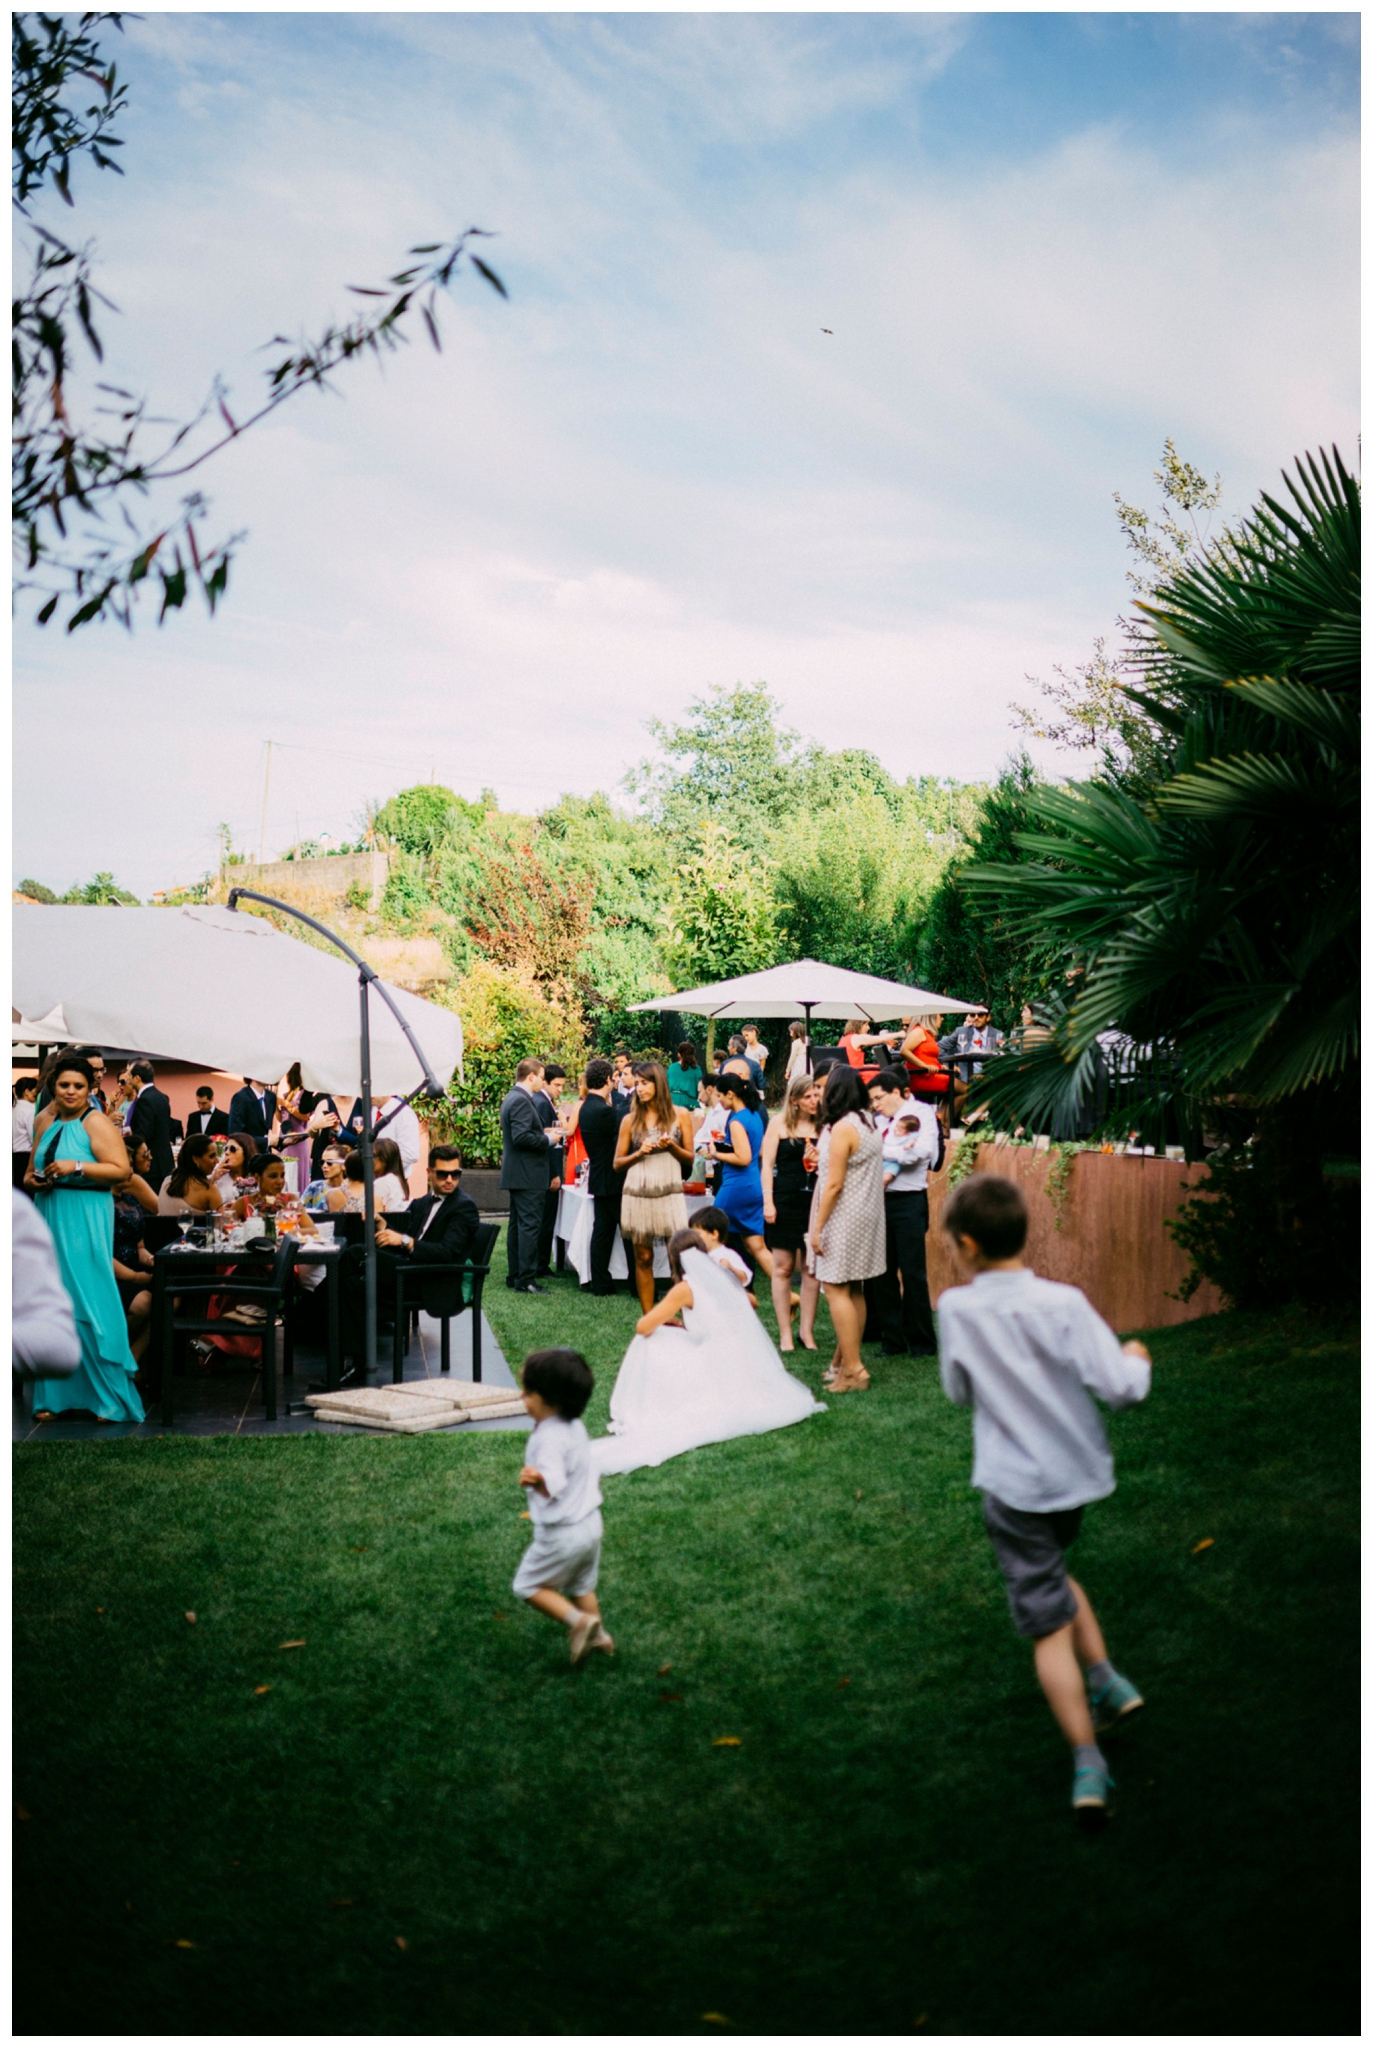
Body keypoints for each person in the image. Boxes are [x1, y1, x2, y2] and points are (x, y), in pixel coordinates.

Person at [937, 1175, 1151, 1826]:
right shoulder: (1063, 1302)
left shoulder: (955, 1310)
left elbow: (957, 1392)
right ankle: (1108, 1679)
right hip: (1072, 1481)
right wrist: (1136, 1357)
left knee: (1044, 1626)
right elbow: (1120, 1389)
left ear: (967, 1244)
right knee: (1051, 1571)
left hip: (1014, 1488)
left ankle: (1087, 1758)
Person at [591, 1235, 825, 1477]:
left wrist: (664, 1319)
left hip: (711, 1356)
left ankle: (645, 1400)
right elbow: (752, 1300)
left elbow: (642, 1326)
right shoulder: (718, 1277)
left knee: (649, 1339)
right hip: (737, 1357)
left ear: (674, 1260)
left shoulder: (685, 1288)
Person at [24, 1055, 145, 1424]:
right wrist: (37, 1180)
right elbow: (29, 1173)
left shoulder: (96, 1122)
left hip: (86, 1217)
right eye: (64, 1085)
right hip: (50, 1213)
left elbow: (121, 1170)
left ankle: (107, 1397)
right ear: (53, 1087)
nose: (71, 1091)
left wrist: (77, 1167)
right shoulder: (44, 1120)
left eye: (78, 1085)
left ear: (89, 1088)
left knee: (92, 1297)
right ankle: (54, 1396)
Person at [340, 1144, 480, 1371]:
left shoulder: (464, 1207)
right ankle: (357, 1363)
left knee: (356, 1253)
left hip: (432, 1280)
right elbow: (408, 1235)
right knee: (350, 1284)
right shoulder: (423, 1202)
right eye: (443, 1174)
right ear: (429, 1173)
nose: (449, 1180)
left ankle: (312, 1312)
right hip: (411, 1270)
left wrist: (405, 1242)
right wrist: (382, 1224)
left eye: (455, 1174)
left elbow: (446, 1253)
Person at [515, 1347, 612, 1664]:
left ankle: (578, 1622)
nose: (522, 1397)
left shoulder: (549, 1438)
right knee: (582, 1585)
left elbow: (553, 1481)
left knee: (527, 1584)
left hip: (563, 1532)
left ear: (551, 1402)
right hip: (590, 1524)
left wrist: (536, 1479)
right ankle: (600, 1639)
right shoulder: (575, 1427)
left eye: (528, 1392)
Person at [807, 1063, 886, 1394]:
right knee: (854, 1290)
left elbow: (835, 1183)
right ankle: (845, 1365)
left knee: (836, 1288)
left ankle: (854, 1368)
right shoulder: (868, 1123)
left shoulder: (842, 1128)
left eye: (824, 1089)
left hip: (844, 1215)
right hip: (867, 1213)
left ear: (836, 1092)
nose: (819, 1095)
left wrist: (817, 1228)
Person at [865, 1068, 940, 1359]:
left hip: (909, 1201)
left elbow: (919, 1154)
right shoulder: (878, 1121)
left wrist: (881, 1152)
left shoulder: (921, 1114)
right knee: (882, 1274)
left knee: (913, 1273)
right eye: (872, 1100)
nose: (876, 1105)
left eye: (879, 1098)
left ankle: (921, 1341)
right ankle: (891, 1340)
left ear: (896, 1092)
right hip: (879, 1200)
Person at [614, 1062, 694, 1314]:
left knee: (680, 1257)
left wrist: (672, 1147)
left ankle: (685, 1313)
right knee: (643, 1257)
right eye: (637, 1083)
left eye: (645, 1083)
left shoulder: (679, 1114)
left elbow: (690, 1158)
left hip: (669, 1192)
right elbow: (617, 1163)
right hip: (638, 1192)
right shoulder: (629, 1120)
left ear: (659, 1084)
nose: (639, 1088)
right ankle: (649, 1318)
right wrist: (639, 1153)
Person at [760, 1072, 822, 1353]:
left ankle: (806, 1332)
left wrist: (820, 1162)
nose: (814, 1100)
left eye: (817, 1095)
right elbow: (766, 1166)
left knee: (812, 1269)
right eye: (808, 1096)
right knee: (783, 1267)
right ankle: (785, 1332)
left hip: (815, 1203)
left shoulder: (825, 1127)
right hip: (784, 1200)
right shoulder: (778, 1125)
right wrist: (768, 1202)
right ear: (794, 1100)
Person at [708, 1071, 774, 1288]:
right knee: (757, 1246)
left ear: (730, 1094)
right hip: (754, 1184)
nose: (718, 1100)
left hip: (736, 1186)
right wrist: (724, 1147)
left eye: (719, 1096)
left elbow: (743, 1158)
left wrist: (716, 1153)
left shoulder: (736, 1121)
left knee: (710, 1234)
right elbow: (759, 1151)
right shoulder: (754, 1115)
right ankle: (787, 1292)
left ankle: (714, 1286)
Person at [12, 1187, 81, 1381]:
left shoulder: (12, 1208)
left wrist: (74, 1168)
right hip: (50, 1203)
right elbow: (28, 1176)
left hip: (77, 1214)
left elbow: (60, 1342)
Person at [500, 1057, 556, 1294]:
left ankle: (516, 1275)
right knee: (529, 1227)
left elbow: (522, 1132)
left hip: (519, 1173)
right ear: (531, 1076)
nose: (543, 1083)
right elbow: (521, 1137)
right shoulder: (521, 1100)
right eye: (542, 1077)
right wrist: (549, 1139)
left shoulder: (513, 1097)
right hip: (528, 1174)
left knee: (517, 1226)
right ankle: (526, 1279)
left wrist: (542, 1132)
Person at [578, 1058, 625, 1296]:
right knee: (625, 1232)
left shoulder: (587, 1106)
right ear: (607, 1079)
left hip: (599, 1176)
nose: (616, 1081)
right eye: (614, 1077)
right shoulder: (603, 1111)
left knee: (603, 1232)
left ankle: (600, 1281)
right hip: (612, 1178)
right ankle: (635, 1282)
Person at [112, 1134, 159, 1366]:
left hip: (134, 1268)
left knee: (172, 1296)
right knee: (145, 1303)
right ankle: (110, 1352)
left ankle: (134, 1357)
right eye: (126, 1164)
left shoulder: (131, 1200)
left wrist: (151, 1261)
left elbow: (140, 1247)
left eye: (131, 1164)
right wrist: (136, 1277)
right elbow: (101, 1254)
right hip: (112, 1273)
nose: (130, 1170)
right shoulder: (100, 1202)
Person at [534, 1062, 568, 1280]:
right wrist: (555, 1173)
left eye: (563, 1086)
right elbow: (550, 1144)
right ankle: (541, 1265)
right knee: (546, 1220)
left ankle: (539, 1263)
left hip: (544, 1170)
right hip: (548, 1171)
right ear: (544, 1081)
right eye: (557, 1085)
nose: (560, 1090)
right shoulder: (543, 1104)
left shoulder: (542, 1101)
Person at [939, 1006, 1004, 1120]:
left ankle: (975, 1117)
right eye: (972, 1015)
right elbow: (939, 1047)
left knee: (999, 1083)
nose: (976, 1018)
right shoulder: (961, 1032)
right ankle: (954, 1124)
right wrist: (949, 1064)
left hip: (987, 1076)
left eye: (980, 1015)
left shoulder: (998, 1035)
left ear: (988, 1017)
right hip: (964, 1076)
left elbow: (1004, 1054)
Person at [128, 1059, 175, 1191]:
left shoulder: (145, 1100)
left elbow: (144, 1134)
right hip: (165, 1162)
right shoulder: (160, 1097)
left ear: (137, 1078)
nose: (128, 1079)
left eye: (129, 1076)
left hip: (152, 1166)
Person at [689, 1205, 756, 1298]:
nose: (694, 1238)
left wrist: (731, 1268)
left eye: (697, 1234)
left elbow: (745, 1278)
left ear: (714, 1234)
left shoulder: (727, 1255)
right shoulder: (696, 1255)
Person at [157, 1131, 226, 1217]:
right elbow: (221, 1225)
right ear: (195, 1159)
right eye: (211, 1156)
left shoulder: (167, 1182)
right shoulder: (209, 1190)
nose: (217, 1161)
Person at [897, 1014, 951, 1111]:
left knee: (958, 1086)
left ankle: (943, 1122)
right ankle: (946, 1123)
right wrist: (924, 1066)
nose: (942, 1018)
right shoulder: (919, 1031)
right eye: (940, 1015)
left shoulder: (927, 1033)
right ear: (931, 1017)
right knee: (964, 1089)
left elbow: (925, 1056)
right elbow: (904, 1051)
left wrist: (940, 1066)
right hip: (921, 1078)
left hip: (928, 1075)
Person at [339, 1147, 410, 1216]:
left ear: (384, 1159)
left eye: (373, 1155)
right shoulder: (394, 1178)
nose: (369, 1159)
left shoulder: (382, 1183)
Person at [302, 1143, 350, 1211]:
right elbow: (301, 1211)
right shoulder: (314, 1187)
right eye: (322, 1162)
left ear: (343, 1165)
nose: (324, 1166)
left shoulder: (350, 1189)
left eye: (329, 1162)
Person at [229, 1078, 276, 1145]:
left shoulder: (271, 1096)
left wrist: (282, 1141)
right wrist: (267, 1142)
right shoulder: (241, 1098)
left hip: (266, 1153)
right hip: (249, 1152)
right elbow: (236, 1134)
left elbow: (266, 1132)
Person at [13, 1075, 38, 1188]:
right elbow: (33, 1137)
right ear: (27, 1092)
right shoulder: (30, 1110)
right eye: (35, 1091)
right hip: (26, 1158)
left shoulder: (13, 1108)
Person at [667, 1041, 703, 1114]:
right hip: (690, 1101)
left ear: (679, 1054)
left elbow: (666, 1085)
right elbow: (699, 1087)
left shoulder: (672, 1067)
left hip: (672, 1100)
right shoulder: (696, 1069)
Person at [783, 1020, 810, 1086]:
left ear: (796, 1032)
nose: (790, 1034)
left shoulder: (796, 1043)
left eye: (791, 1031)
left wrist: (787, 1071)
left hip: (799, 1063)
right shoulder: (807, 1040)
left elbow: (792, 1057)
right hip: (808, 1062)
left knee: (795, 1083)